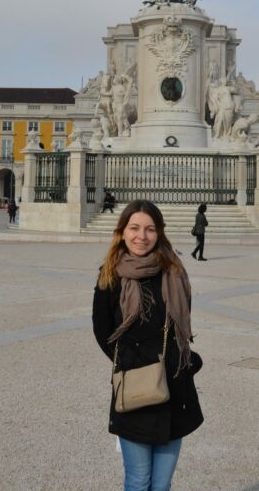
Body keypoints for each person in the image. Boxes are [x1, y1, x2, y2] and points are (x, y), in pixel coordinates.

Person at [92, 200, 203, 491]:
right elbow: (103, 332)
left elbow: (183, 320)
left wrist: (182, 360)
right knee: (139, 481)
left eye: (150, 229)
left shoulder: (174, 272)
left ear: (159, 233)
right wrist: (131, 362)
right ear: (122, 232)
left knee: (163, 483)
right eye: (135, 228)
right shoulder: (110, 276)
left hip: (174, 389)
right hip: (136, 390)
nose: (142, 236)